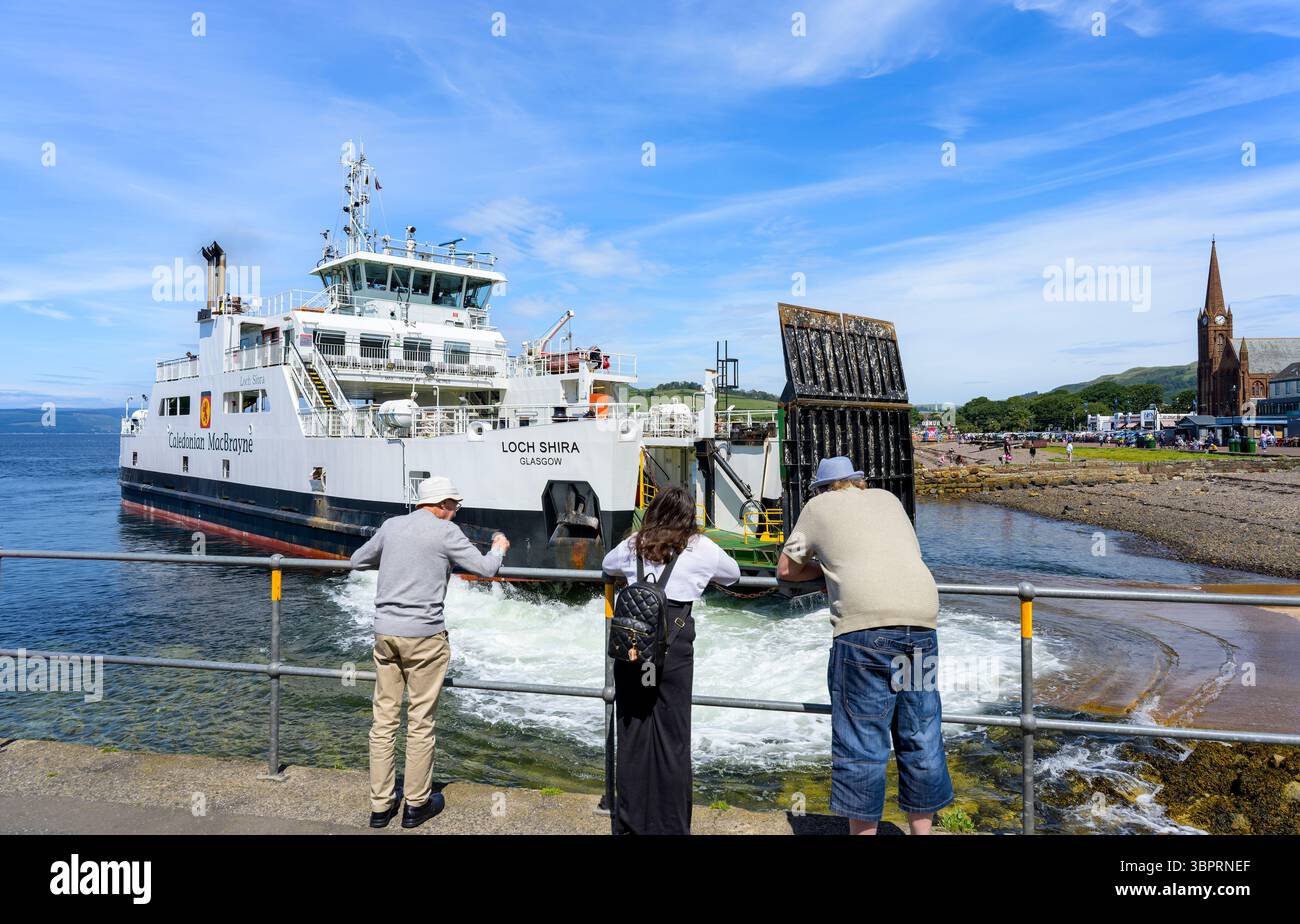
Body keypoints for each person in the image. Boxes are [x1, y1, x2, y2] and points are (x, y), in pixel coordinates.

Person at [776, 456, 952, 835]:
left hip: (864, 633)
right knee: (920, 737)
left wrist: (826, 574)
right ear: (858, 481)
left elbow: (786, 571)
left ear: (822, 488)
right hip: (921, 624)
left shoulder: (818, 505)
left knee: (862, 745)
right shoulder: (888, 499)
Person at [350, 476, 510, 829]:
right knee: (421, 722)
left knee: (383, 721)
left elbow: (357, 560)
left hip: (386, 634)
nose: (455, 512)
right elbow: (485, 568)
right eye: (454, 506)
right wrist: (498, 546)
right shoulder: (445, 532)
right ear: (440, 505)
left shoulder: (392, 526)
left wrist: (399, 562)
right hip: (424, 637)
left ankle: (380, 807)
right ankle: (416, 805)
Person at [602, 486, 740, 834]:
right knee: (672, 736)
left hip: (634, 649)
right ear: (688, 516)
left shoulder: (635, 543)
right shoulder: (700, 546)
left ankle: (630, 824)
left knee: (632, 731)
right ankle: (670, 825)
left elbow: (606, 565)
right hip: (673, 646)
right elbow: (734, 574)